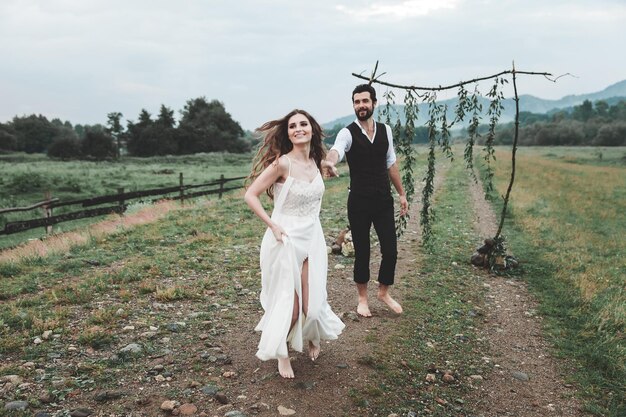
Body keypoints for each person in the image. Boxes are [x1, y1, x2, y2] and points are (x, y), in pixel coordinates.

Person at [244, 109, 345, 379]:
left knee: (312, 305)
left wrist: (329, 165)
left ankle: (312, 336)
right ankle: (281, 353)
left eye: (303, 124)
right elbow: (251, 195)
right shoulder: (282, 164)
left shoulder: (317, 161)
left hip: (312, 236)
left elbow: (323, 166)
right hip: (285, 238)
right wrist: (272, 224)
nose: (298, 129)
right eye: (292, 126)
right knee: (291, 306)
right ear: (288, 133)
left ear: (312, 129)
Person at [323, 84, 408, 317]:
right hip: (359, 201)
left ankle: (383, 292)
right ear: (354, 105)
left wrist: (401, 194)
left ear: (373, 103)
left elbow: (391, 163)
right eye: (357, 102)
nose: (361, 105)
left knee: (390, 251)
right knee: (363, 251)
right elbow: (337, 150)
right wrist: (330, 161)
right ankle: (362, 299)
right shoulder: (347, 132)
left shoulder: (385, 130)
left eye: (365, 101)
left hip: (383, 200)